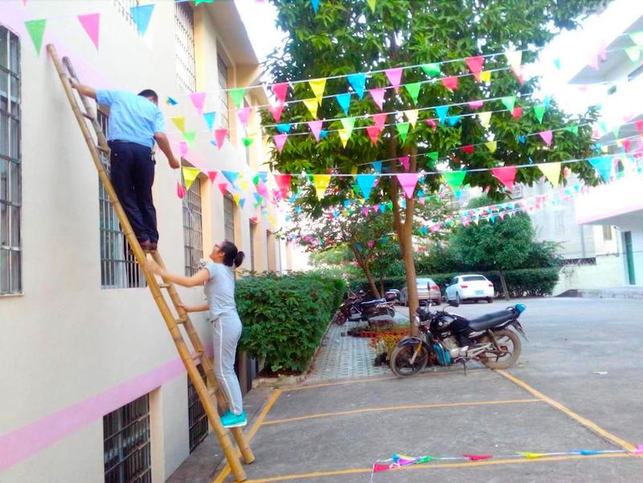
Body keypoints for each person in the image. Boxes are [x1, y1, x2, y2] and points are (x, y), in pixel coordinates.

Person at [147, 241, 247, 428]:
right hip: (229, 321)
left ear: (221, 254)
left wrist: (159, 271)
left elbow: (189, 282)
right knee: (225, 369)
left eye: (217, 246)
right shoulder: (226, 272)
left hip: (225, 323)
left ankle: (237, 412)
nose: (214, 245)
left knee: (223, 370)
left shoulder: (215, 269)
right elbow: (217, 302)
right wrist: (190, 309)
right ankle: (237, 410)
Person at [71, 80, 180, 251]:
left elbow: (88, 90)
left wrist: (74, 84)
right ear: (153, 99)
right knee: (145, 197)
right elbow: (159, 136)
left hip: (122, 149)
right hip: (144, 153)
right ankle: (152, 239)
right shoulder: (155, 110)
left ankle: (142, 237)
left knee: (125, 194)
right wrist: (172, 159)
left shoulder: (120, 96)